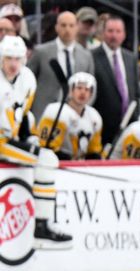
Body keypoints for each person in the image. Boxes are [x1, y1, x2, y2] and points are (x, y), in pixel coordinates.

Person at [0, 35, 70, 249]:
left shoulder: (28, 78)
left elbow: (22, 114)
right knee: (46, 160)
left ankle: (41, 226)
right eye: (8, 58)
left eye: (17, 59)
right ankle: (41, 227)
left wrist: (27, 138)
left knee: (45, 157)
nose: (13, 64)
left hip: (7, 139)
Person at [27, 11, 95, 121]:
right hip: (43, 114)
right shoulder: (41, 52)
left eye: (71, 25)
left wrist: (83, 110)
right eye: (63, 25)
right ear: (56, 27)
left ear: (77, 28)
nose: (67, 29)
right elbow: (28, 80)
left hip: (74, 117)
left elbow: (92, 87)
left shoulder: (86, 55)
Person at [91, 15, 139, 147]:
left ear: (124, 34)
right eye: (110, 31)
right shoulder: (91, 56)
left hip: (129, 126)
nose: (114, 36)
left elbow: (135, 93)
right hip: (102, 127)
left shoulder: (131, 58)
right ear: (103, 33)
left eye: (118, 31)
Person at [37, 72, 103, 160]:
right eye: (79, 88)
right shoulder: (56, 111)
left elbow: (94, 151)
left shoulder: (95, 117)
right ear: (71, 90)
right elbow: (47, 148)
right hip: (54, 163)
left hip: (78, 165)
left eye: (87, 89)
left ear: (91, 94)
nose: (83, 92)